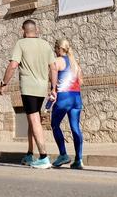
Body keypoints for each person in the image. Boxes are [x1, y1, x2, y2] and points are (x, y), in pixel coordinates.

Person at [0, 20, 55, 169]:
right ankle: (30, 154)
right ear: (37, 30)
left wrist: (4, 83)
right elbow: (53, 67)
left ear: (23, 30)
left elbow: (13, 65)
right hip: (42, 88)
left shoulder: (21, 43)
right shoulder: (45, 44)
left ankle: (43, 157)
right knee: (32, 119)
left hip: (29, 88)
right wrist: (53, 87)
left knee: (34, 119)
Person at [48, 38, 84, 169]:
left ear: (58, 49)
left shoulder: (57, 61)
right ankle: (79, 159)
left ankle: (63, 154)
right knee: (75, 128)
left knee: (55, 124)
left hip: (64, 97)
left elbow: (52, 75)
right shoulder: (74, 62)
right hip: (76, 98)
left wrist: (53, 89)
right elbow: (81, 81)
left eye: (55, 49)